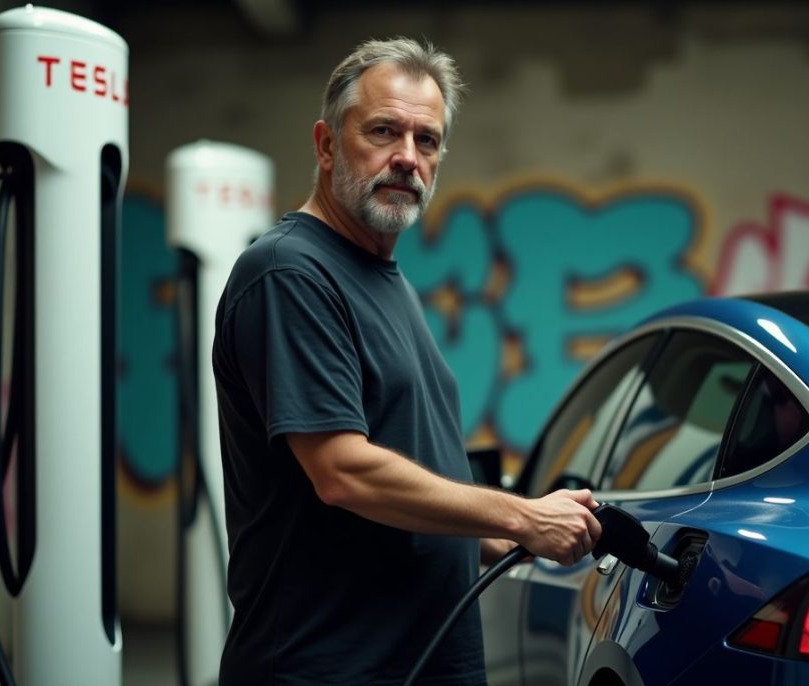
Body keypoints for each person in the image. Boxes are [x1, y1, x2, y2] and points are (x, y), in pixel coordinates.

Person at [212, 37, 603, 685]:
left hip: (417, 659)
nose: (407, 158)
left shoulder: (384, 278)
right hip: (327, 668)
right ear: (327, 143)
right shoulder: (289, 273)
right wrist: (521, 514)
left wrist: (486, 535)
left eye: (427, 140)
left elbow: (402, 464)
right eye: (384, 131)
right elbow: (343, 472)